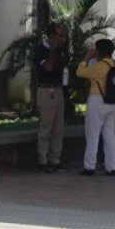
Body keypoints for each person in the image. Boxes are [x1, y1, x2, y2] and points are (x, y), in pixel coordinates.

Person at [76, 38, 115, 176]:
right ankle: (111, 167)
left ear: (98, 51)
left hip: (98, 100)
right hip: (113, 102)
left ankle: (89, 166)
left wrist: (86, 58)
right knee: (109, 134)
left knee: (93, 134)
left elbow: (80, 72)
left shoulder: (100, 66)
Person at [33, 24, 69, 173]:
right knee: (46, 126)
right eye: (58, 36)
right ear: (51, 36)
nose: (61, 39)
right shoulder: (41, 49)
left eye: (62, 36)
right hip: (46, 89)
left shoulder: (61, 49)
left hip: (58, 88)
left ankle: (55, 158)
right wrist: (52, 50)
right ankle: (42, 159)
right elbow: (48, 67)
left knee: (58, 127)